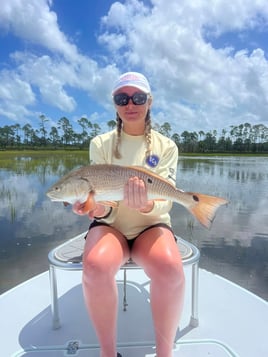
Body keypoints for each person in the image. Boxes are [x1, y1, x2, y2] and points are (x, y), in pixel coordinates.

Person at [73, 72, 185, 357]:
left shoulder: (166, 147)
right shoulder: (101, 144)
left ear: (150, 102)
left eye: (138, 97)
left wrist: (147, 205)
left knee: (171, 270)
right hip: (111, 226)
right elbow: (104, 203)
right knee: (95, 266)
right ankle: (108, 353)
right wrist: (95, 207)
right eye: (122, 98)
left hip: (151, 224)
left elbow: (166, 200)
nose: (130, 104)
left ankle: (165, 353)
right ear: (115, 103)